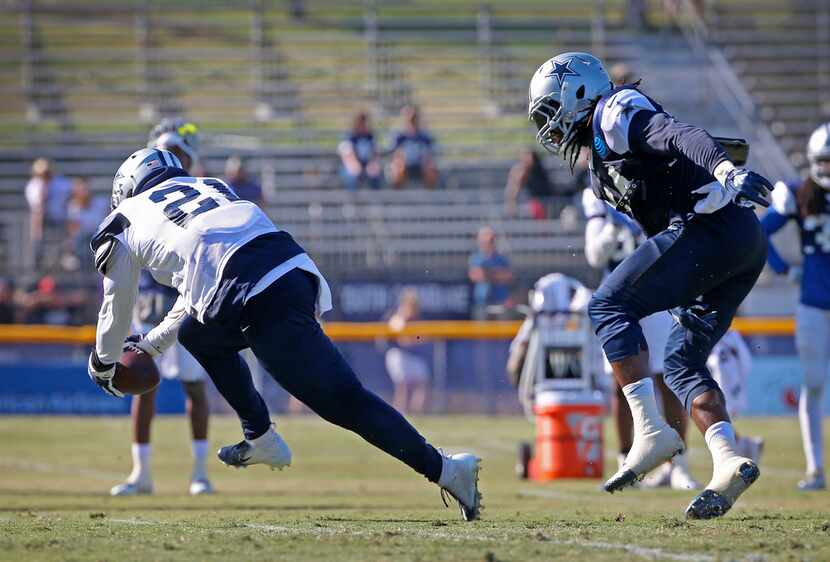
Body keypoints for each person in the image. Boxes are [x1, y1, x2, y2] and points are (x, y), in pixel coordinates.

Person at [86, 148, 481, 520]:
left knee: (344, 403)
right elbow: (198, 293)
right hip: (288, 269)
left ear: (126, 189)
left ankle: (445, 469)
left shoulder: (125, 219)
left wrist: (104, 361)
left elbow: (117, 300)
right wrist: (152, 344)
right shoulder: (209, 185)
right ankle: (259, 434)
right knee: (197, 334)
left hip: (253, 290)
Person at [529, 51, 772, 518]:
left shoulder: (614, 113)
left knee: (606, 306)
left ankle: (651, 431)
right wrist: (674, 290)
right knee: (680, 361)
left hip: (712, 228)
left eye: (550, 112)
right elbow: (653, 226)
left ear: (577, 93)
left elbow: (683, 136)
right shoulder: (599, 174)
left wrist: (726, 171)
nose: (549, 127)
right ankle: (728, 460)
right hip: (736, 242)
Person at [108, 120, 214, 497]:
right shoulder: (140, 198)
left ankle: (201, 473)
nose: (175, 160)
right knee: (142, 387)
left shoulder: (199, 192)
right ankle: (142, 473)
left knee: (194, 388)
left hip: (185, 306)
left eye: (181, 154)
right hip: (149, 307)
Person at [582, 188, 698, 490]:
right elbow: (594, 254)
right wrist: (612, 232)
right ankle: (626, 461)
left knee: (667, 380)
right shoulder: (597, 198)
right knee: (621, 386)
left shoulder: (654, 182)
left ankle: (678, 464)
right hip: (620, 301)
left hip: (658, 295)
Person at [761, 122, 830, 491]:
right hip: (814, 305)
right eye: (825, 161)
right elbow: (760, 232)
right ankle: (815, 469)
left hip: (815, 304)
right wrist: (783, 269)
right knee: (814, 385)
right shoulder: (800, 194)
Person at [706, 329, 764, 464]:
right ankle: (746, 445)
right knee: (716, 418)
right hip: (720, 382)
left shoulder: (731, 336)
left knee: (716, 418)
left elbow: (745, 362)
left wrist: (737, 384)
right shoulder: (712, 334)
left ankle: (742, 448)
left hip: (729, 385)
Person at [384, 289, 430, 414]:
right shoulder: (398, 319)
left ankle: (417, 414)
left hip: (412, 356)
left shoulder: (416, 319)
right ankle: (399, 414)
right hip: (397, 355)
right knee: (403, 387)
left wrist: (417, 338)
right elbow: (404, 341)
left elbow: (422, 338)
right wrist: (416, 339)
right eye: (411, 304)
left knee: (422, 383)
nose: (413, 308)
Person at [24, 158, 73, 266]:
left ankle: (67, 254)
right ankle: (38, 250)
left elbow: (70, 195)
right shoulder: (34, 185)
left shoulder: (60, 182)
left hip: (61, 217)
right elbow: (38, 206)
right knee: (37, 216)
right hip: (43, 220)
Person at [468, 226, 513, 320]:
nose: (487, 243)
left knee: (502, 333)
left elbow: (507, 276)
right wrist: (496, 273)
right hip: (482, 302)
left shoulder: (501, 258)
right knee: (481, 332)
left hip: (500, 301)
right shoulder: (475, 257)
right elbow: (475, 276)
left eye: (490, 240)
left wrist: (487, 273)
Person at [389, 105, 439, 189]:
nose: (412, 121)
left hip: (421, 164)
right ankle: (396, 196)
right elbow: (394, 153)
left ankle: (430, 196)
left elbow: (430, 152)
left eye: (414, 118)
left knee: (431, 168)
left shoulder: (424, 136)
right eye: (409, 118)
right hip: (405, 165)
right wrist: (400, 160)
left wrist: (426, 160)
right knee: (397, 169)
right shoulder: (400, 136)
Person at [65, 178, 108, 270]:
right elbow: (73, 229)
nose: (84, 192)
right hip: (83, 241)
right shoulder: (72, 207)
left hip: (99, 237)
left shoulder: (101, 203)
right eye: (81, 190)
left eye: (85, 189)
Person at [504, 148, 555, 219]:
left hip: (538, 203)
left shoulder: (538, 173)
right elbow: (512, 190)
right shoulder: (519, 171)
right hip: (527, 204)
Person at [338, 112, 383, 191]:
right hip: (351, 165)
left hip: (367, 165)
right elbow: (347, 156)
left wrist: (373, 164)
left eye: (365, 123)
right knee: (352, 176)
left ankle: (376, 201)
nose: (363, 126)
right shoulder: (350, 137)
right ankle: (353, 201)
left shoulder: (371, 137)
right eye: (361, 123)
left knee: (376, 175)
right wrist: (354, 164)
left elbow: (375, 153)